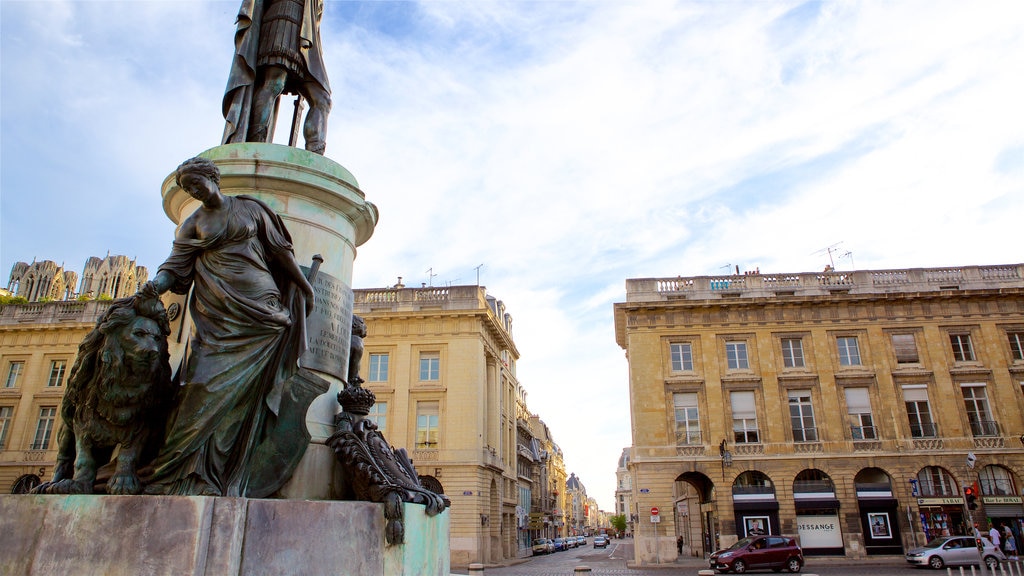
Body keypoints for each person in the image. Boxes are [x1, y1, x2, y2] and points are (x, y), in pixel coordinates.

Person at [143, 156, 315, 497]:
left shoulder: (250, 210)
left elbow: (280, 253)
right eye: (189, 188)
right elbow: (174, 267)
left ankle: (213, 473)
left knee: (241, 396)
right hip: (217, 312)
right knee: (202, 385)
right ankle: (177, 470)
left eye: (197, 183)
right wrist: (153, 287)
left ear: (213, 178)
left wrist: (304, 285)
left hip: (261, 309)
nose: (195, 191)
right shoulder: (192, 224)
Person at [222, 0, 332, 154]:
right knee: (274, 82)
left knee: (323, 100)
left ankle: (315, 161)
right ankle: (255, 146)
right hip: (282, 17)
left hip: (308, 32)